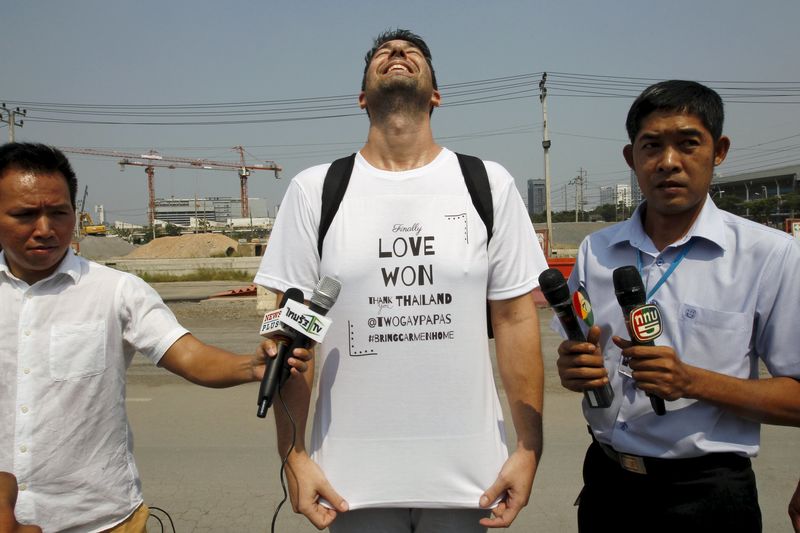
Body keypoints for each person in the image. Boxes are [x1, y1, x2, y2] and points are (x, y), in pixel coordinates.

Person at [255, 29, 547, 532]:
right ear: (362, 97)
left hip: (470, 483)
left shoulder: (486, 184)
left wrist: (527, 448)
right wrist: (293, 456)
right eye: (382, 53)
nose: (396, 53)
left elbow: (516, 321)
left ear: (436, 94)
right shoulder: (315, 191)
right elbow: (291, 342)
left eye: (414, 52)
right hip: (349, 486)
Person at [0, 142, 309, 532]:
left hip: (102, 520)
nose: (44, 229)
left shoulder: (117, 290)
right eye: (24, 215)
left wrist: (252, 365)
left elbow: (188, 356)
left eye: (58, 214)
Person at [555, 80, 800, 532]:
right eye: (652, 146)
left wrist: (692, 381)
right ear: (632, 158)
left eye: (688, 143)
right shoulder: (596, 251)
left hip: (706, 498)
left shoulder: (770, 255)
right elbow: (582, 353)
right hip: (608, 487)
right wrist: (575, 369)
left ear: (719, 150)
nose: (669, 162)